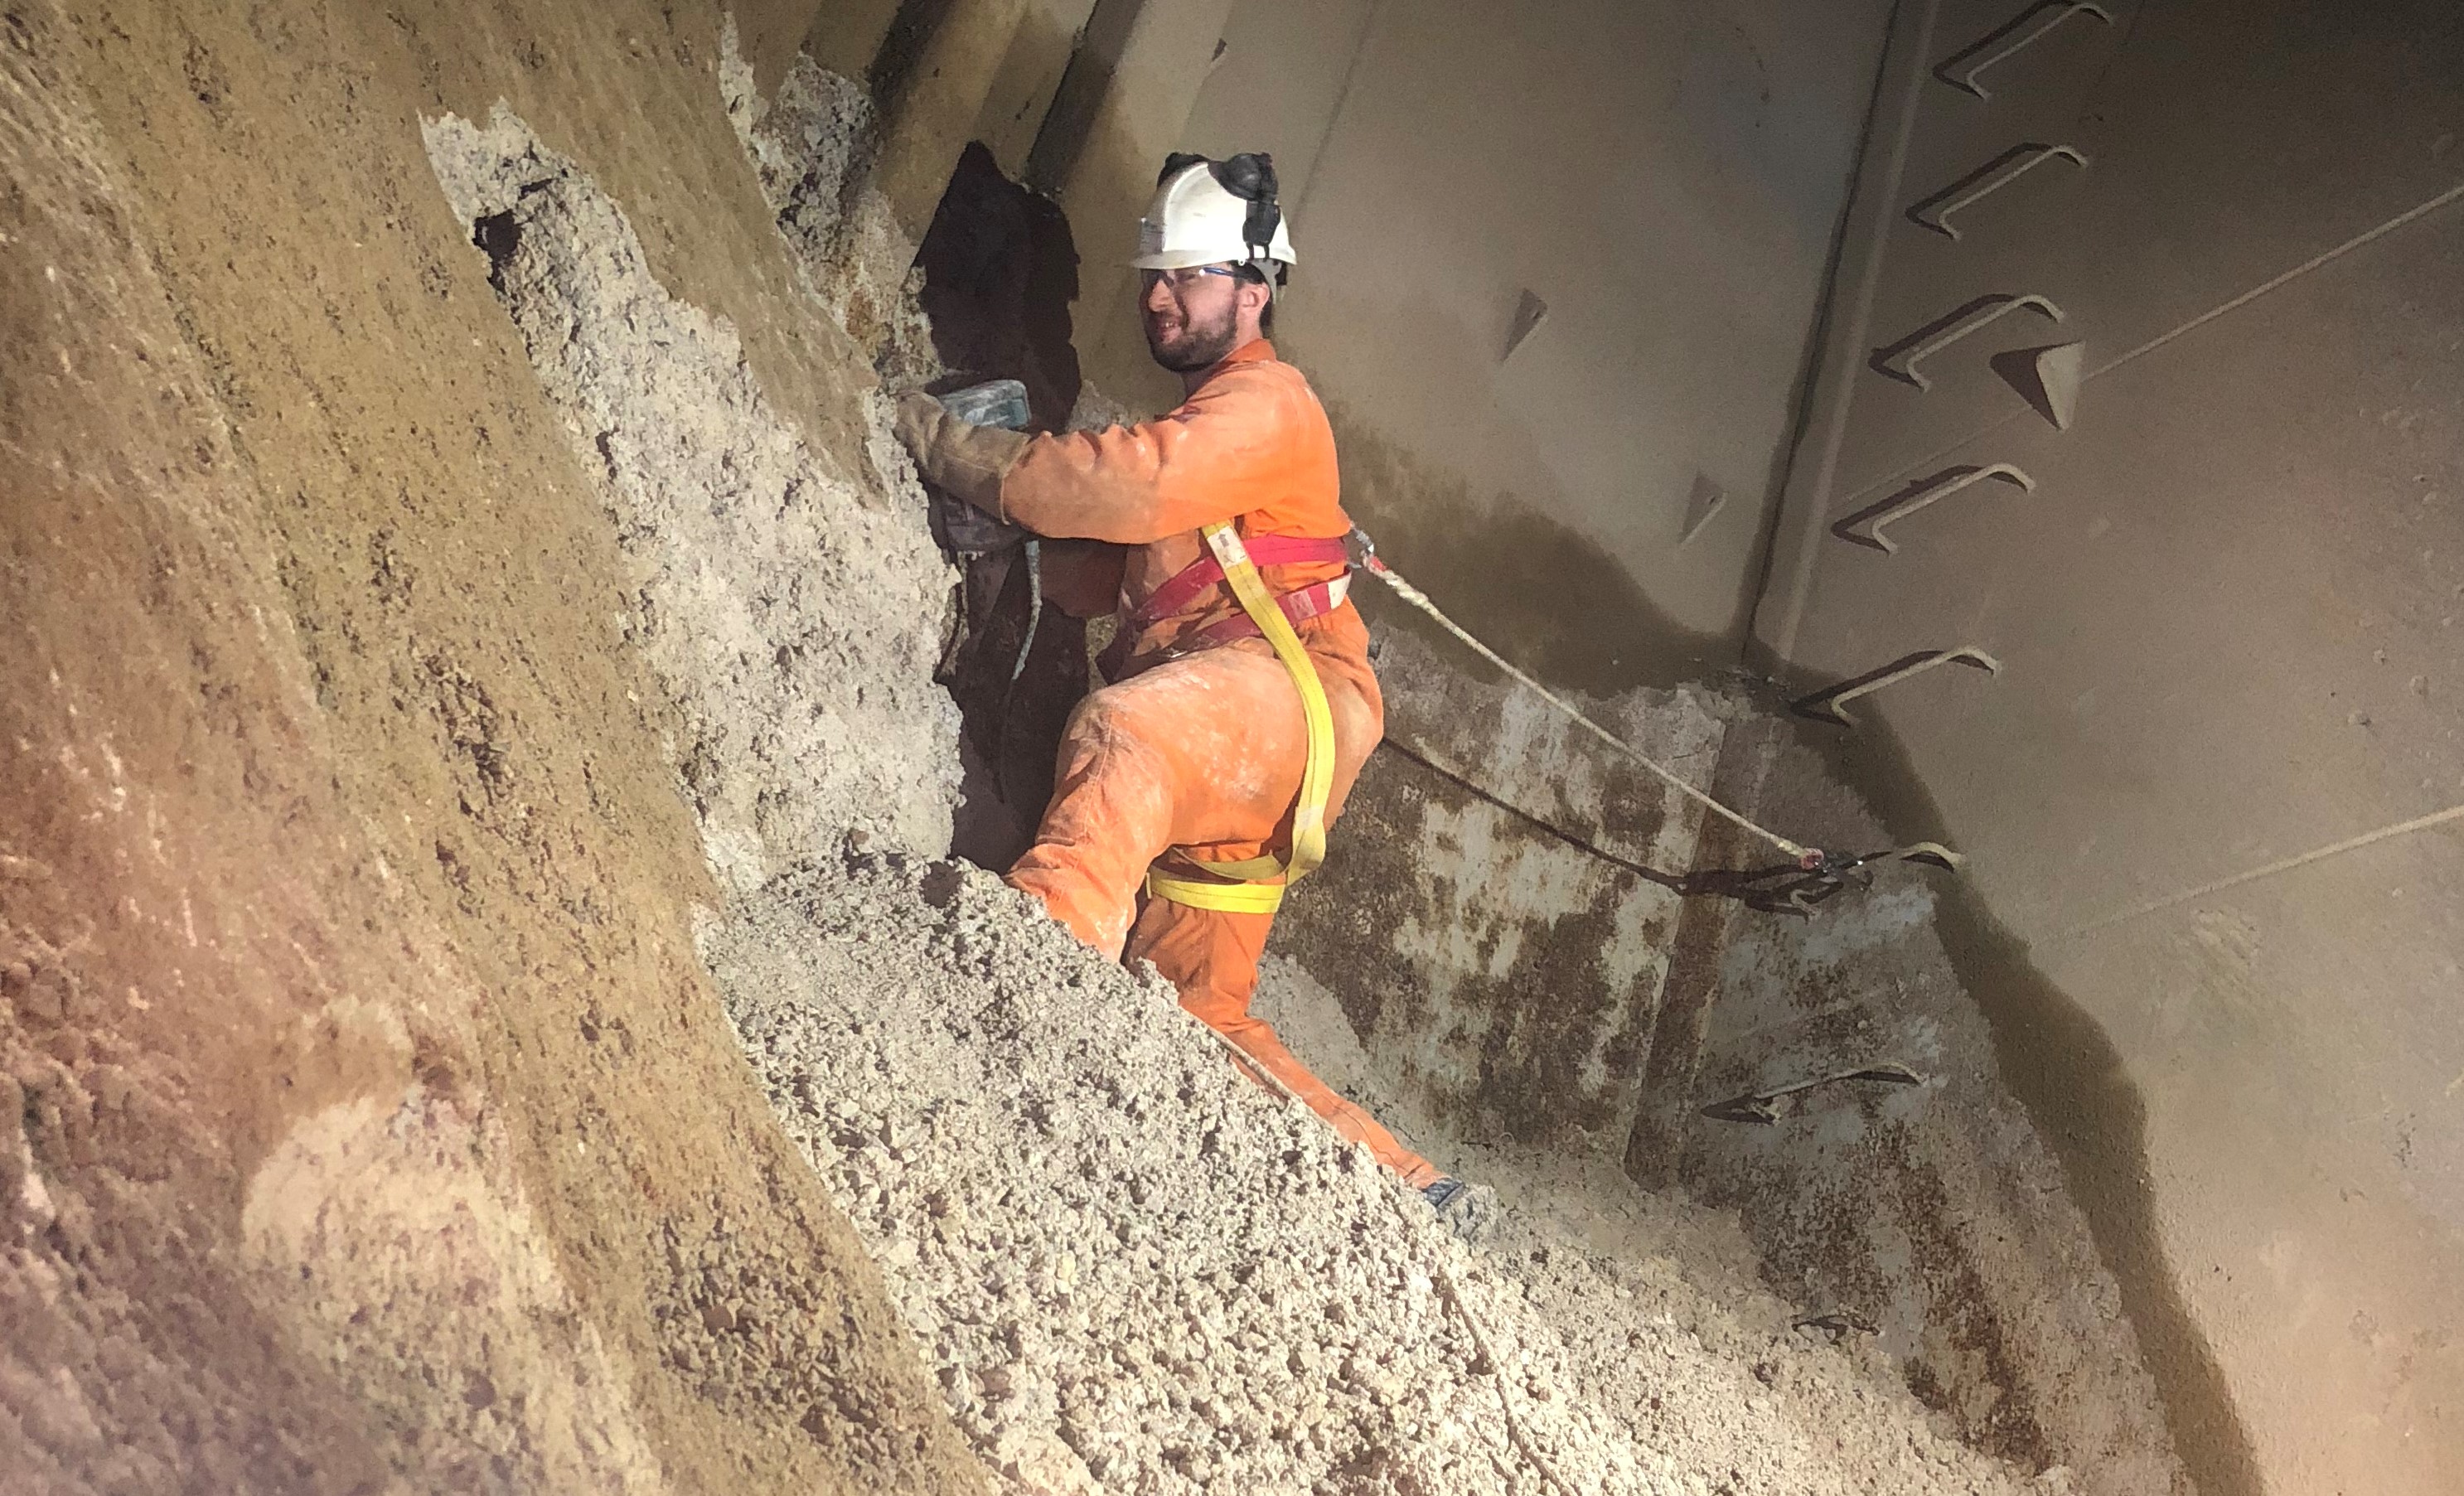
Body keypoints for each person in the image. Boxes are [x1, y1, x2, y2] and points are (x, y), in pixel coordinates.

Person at [896, 153, 1473, 1213]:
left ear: (1254, 291)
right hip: (1255, 737)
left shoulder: (1264, 402)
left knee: (1127, 737)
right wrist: (1012, 543)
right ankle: (1410, 1193)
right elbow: (1109, 567)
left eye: (1190, 277)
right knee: (1195, 1006)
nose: (1160, 298)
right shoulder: (1215, 431)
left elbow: (1130, 484)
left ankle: (1014, 990)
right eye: (1154, 276)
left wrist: (957, 449)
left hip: (1282, 705)